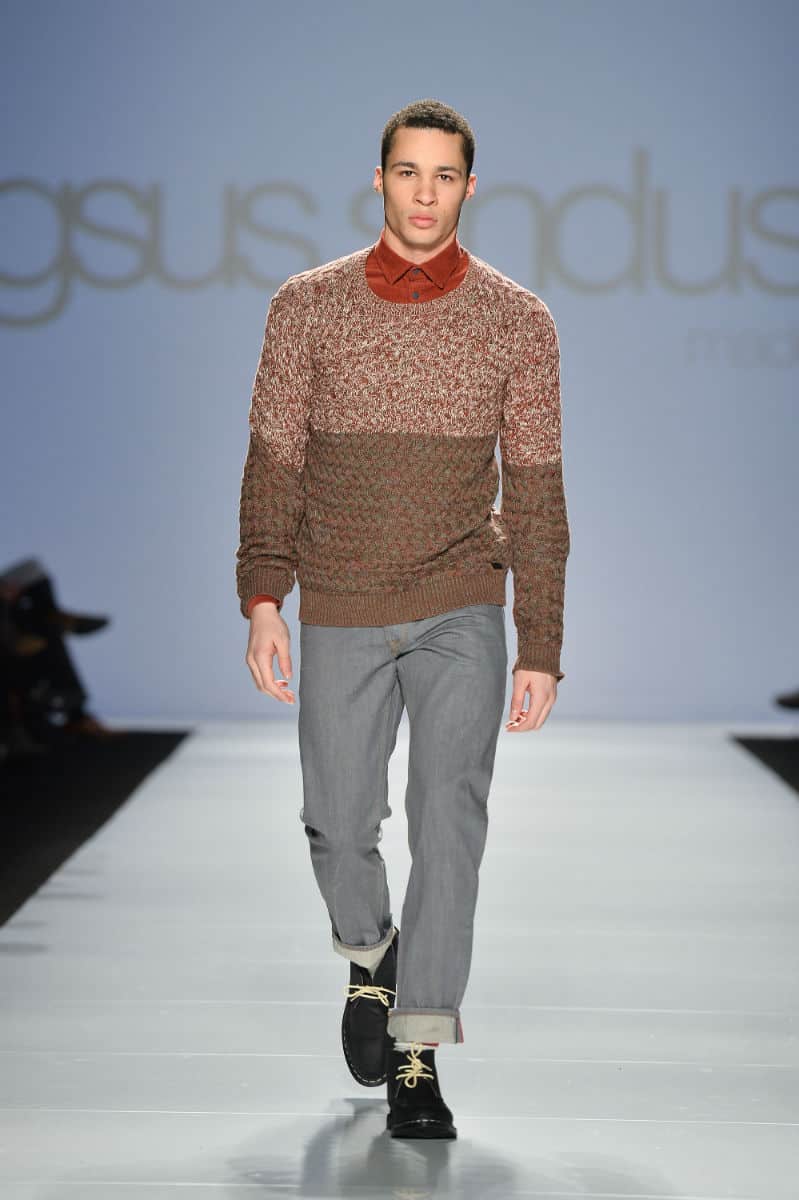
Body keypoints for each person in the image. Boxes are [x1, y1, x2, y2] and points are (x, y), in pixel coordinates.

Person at [235, 98, 570, 1140]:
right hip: (339, 593)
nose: (425, 194)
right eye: (408, 172)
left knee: (448, 818)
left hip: (461, 598)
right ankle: (371, 954)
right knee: (338, 824)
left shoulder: (518, 320)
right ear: (377, 179)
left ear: (469, 187)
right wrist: (263, 597)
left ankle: (418, 1051)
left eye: (444, 175)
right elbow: (275, 461)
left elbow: (538, 489)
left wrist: (541, 642)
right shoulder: (306, 306)